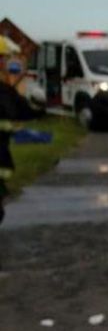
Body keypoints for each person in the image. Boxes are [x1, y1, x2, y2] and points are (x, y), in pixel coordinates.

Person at [0, 35, 41, 229]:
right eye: (3, 59)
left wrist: (36, 104)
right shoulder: (4, 90)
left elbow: (23, 111)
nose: (5, 63)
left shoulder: (6, 89)